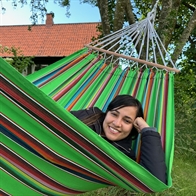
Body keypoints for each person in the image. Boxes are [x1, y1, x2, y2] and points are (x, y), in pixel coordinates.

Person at [70, 95, 167, 184]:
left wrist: (147, 130)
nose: (117, 123)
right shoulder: (89, 115)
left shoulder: (123, 155)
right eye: (114, 114)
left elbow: (155, 180)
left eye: (127, 120)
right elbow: (57, 123)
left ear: (132, 127)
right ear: (107, 113)